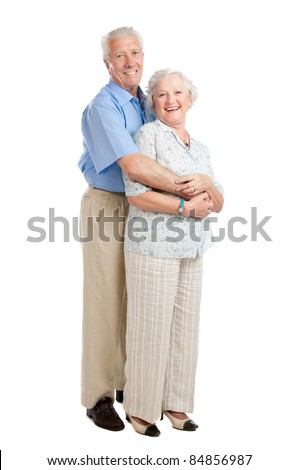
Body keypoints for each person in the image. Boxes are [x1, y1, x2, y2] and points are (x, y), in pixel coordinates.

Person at [78, 27, 207, 432]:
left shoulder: (146, 102)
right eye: (120, 56)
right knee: (106, 301)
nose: (130, 61)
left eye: (135, 52)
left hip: (151, 212)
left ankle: (129, 385)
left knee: (139, 300)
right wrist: (190, 191)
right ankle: (98, 396)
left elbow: (165, 147)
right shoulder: (104, 107)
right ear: (108, 63)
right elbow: (134, 167)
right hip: (109, 205)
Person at [123, 69, 224, 436]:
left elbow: (219, 202)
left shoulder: (200, 149)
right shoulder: (147, 135)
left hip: (193, 247)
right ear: (153, 102)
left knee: (185, 328)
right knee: (150, 328)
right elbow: (136, 194)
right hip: (153, 245)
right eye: (162, 95)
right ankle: (141, 410)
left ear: (190, 99)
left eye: (178, 93)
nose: (171, 101)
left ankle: (177, 404)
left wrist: (210, 185)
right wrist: (184, 208)